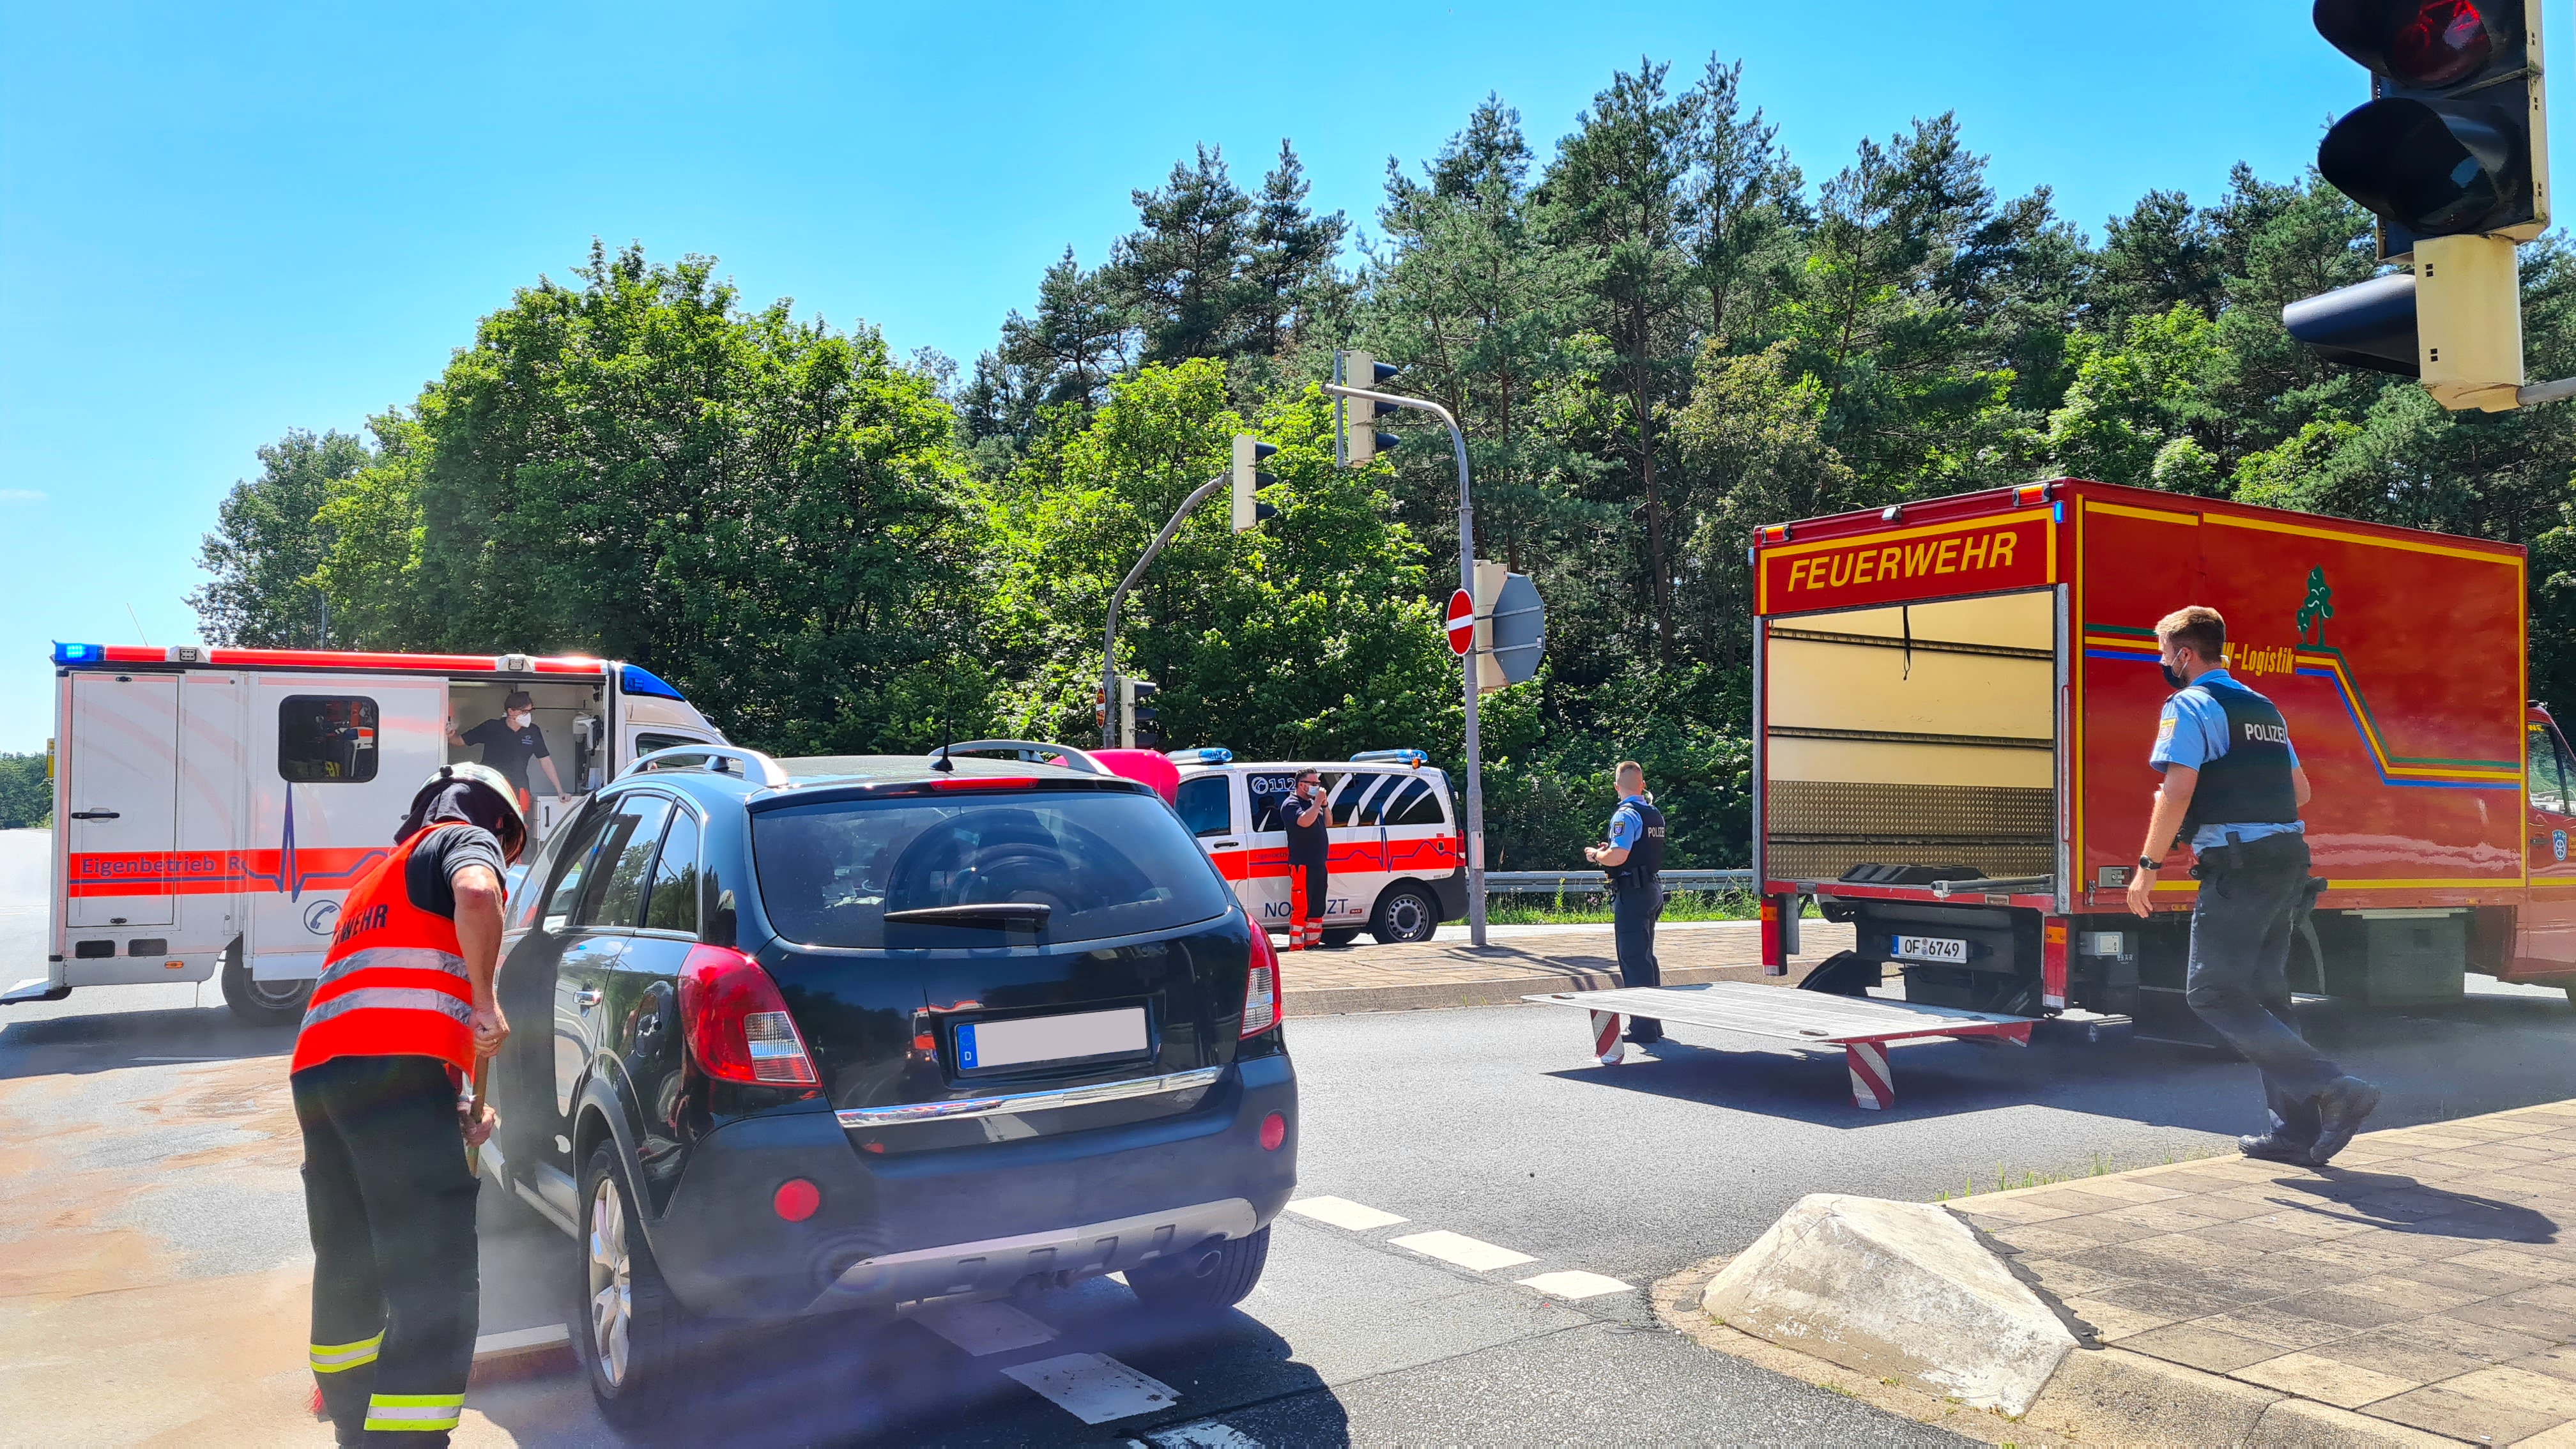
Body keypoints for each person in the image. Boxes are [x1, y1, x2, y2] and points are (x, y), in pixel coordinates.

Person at [292, 762, 521, 1446]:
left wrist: (449, 1104)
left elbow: (388, 992)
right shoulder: (463, 840)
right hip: (391, 1072)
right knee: (432, 1269)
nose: (506, 860)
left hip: (323, 1077)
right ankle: (409, 1440)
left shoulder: (373, 879)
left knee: (350, 1257)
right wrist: (486, 1000)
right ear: (499, 822)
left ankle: (356, 1424)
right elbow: (478, 895)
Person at [2124, 605, 2379, 1166]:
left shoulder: (2189, 703)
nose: (2163, 661)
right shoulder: (2262, 707)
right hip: (2287, 860)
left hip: (2240, 867)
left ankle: (2334, 1086)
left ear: (2185, 654)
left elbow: (2178, 788)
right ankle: (2295, 1133)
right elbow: (2301, 792)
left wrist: (2148, 863)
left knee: (2212, 992)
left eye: (2164, 652)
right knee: (2265, 995)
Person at [1586, 761, 1667, 1044]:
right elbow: (1639, 851)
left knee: (1633, 960)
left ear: (1617, 787)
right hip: (1651, 889)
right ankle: (1653, 1022)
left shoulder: (1626, 815)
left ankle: (1643, 1027)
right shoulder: (1653, 813)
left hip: (1632, 892)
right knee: (1646, 958)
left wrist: (1596, 854)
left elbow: (1619, 856)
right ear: (1642, 785)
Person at [447, 691, 571, 815]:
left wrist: (560, 791)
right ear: (511, 711)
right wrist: (450, 736)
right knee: (489, 821)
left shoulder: (533, 731)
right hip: (491, 786)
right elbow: (459, 741)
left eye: (530, 711)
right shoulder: (491, 727)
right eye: (524, 712)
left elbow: (545, 760)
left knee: (518, 826)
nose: (528, 715)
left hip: (519, 788)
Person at [1281, 769, 1330, 951]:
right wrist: (1317, 803)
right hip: (1302, 863)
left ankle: (1313, 943)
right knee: (1302, 907)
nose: (1317, 787)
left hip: (1319, 863)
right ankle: (1296, 946)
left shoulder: (1313, 804)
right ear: (1302, 785)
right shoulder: (1291, 804)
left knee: (1317, 907)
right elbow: (1304, 822)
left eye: (1318, 784)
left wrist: (1324, 805)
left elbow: (1328, 823)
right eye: (1314, 784)